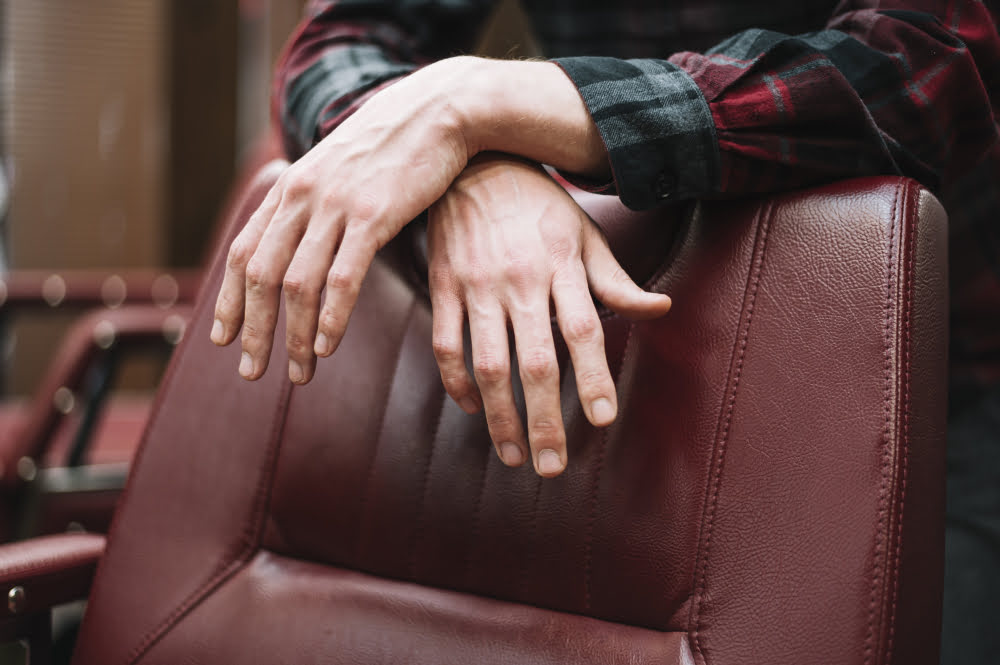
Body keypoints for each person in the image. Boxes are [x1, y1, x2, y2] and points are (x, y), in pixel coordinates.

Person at [209, 1, 1000, 661]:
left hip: (921, 394)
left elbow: (927, 63)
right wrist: (473, 165)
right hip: (600, 364)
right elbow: (337, 44)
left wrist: (487, 106)